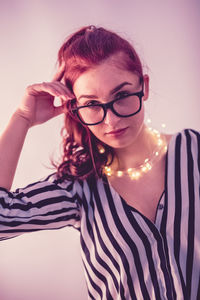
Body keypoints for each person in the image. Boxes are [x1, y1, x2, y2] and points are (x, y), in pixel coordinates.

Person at [0, 25, 199, 300]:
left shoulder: (194, 152)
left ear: (145, 87)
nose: (111, 120)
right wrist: (22, 118)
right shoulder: (78, 188)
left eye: (121, 96)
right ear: (75, 108)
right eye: (92, 104)